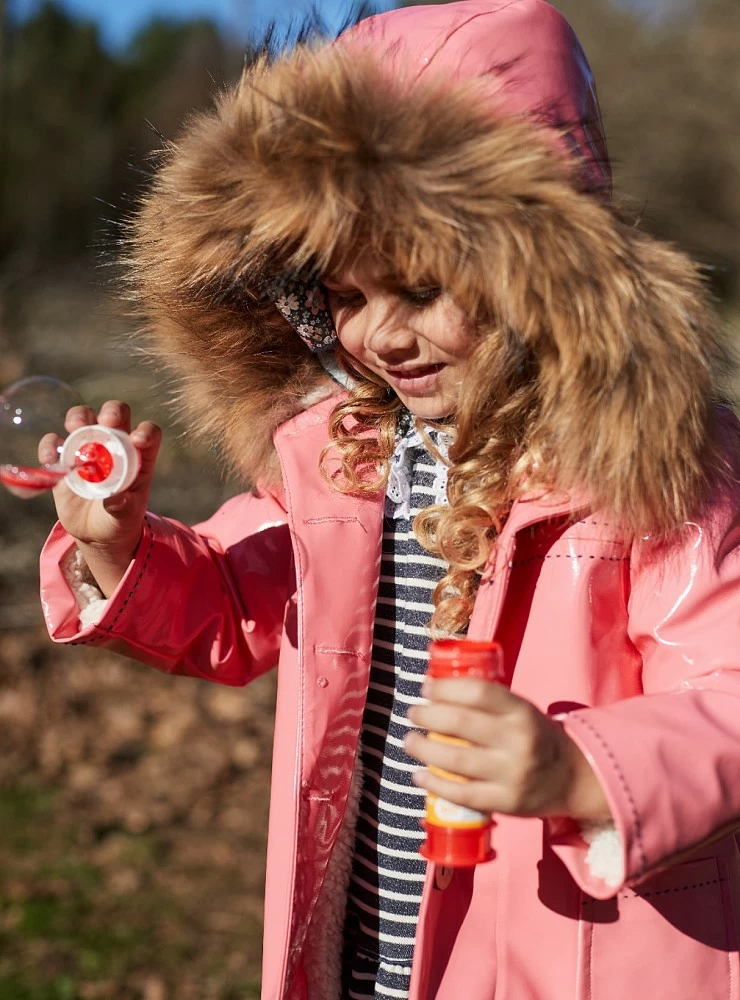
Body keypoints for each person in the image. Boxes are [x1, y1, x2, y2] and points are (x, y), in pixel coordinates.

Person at [38, 2, 740, 998]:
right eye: (346, 299)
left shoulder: (652, 465)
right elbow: (237, 602)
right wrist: (117, 548)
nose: (380, 337)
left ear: (532, 273)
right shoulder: (346, 455)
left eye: (416, 289)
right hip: (372, 940)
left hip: (580, 951)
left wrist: (583, 769)